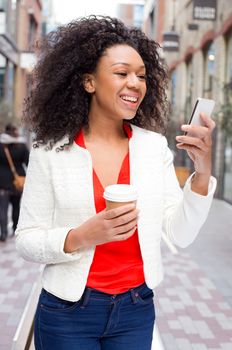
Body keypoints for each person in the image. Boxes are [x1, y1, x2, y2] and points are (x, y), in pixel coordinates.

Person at [15, 16, 217, 350]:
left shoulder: (153, 148)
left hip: (135, 309)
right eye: (122, 73)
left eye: (141, 75)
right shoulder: (51, 151)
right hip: (67, 312)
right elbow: (26, 240)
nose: (136, 83)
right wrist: (81, 236)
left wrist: (203, 173)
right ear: (89, 82)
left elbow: (178, 234)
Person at [0, 124, 29, 241]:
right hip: (18, 182)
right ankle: (16, 229)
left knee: (3, 208)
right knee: (16, 207)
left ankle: (3, 233)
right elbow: (28, 163)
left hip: (2, 182)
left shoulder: (1, 146)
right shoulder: (21, 145)